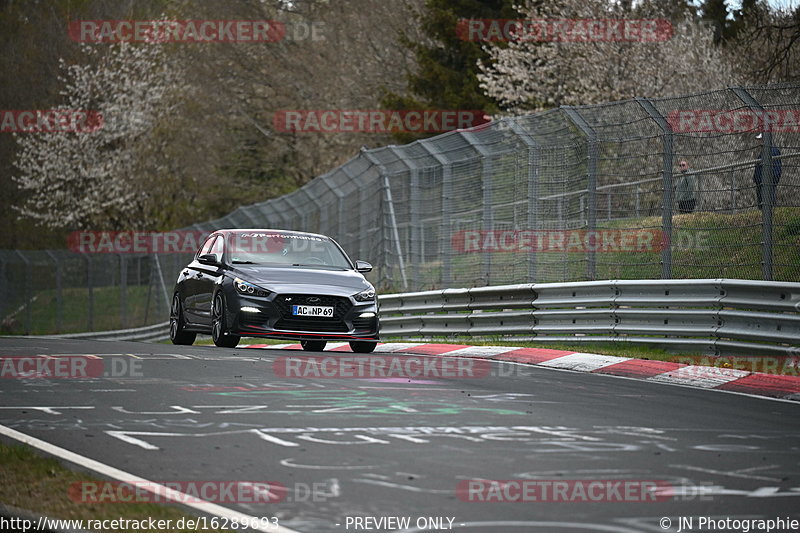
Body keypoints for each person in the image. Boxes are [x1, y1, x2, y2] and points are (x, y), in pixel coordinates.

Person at [753, 132, 782, 210]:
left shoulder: (772, 151)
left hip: (768, 182)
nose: (759, 142)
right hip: (761, 182)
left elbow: (777, 168)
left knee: (768, 202)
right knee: (763, 203)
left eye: (760, 139)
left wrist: (771, 179)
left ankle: (770, 216)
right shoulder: (764, 152)